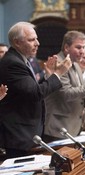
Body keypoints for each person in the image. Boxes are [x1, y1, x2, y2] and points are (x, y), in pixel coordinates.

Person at [0, 21, 72, 158]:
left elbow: (32, 89)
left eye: (36, 39)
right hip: (18, 136)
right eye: (31, 40)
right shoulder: (13, 63)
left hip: (27, 133)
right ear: (17, 42)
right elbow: (35, 94)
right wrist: (59, 74)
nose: (37, 43)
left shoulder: (21, 60)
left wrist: (49, 76)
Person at [43, 31, 85, 142]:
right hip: (59, 127)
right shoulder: (59, 63)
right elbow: (66, 94)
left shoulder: (76, 64)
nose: (82, 51)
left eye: (83, 47)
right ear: (66, 47)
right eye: (78, 47)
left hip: (74, 126)